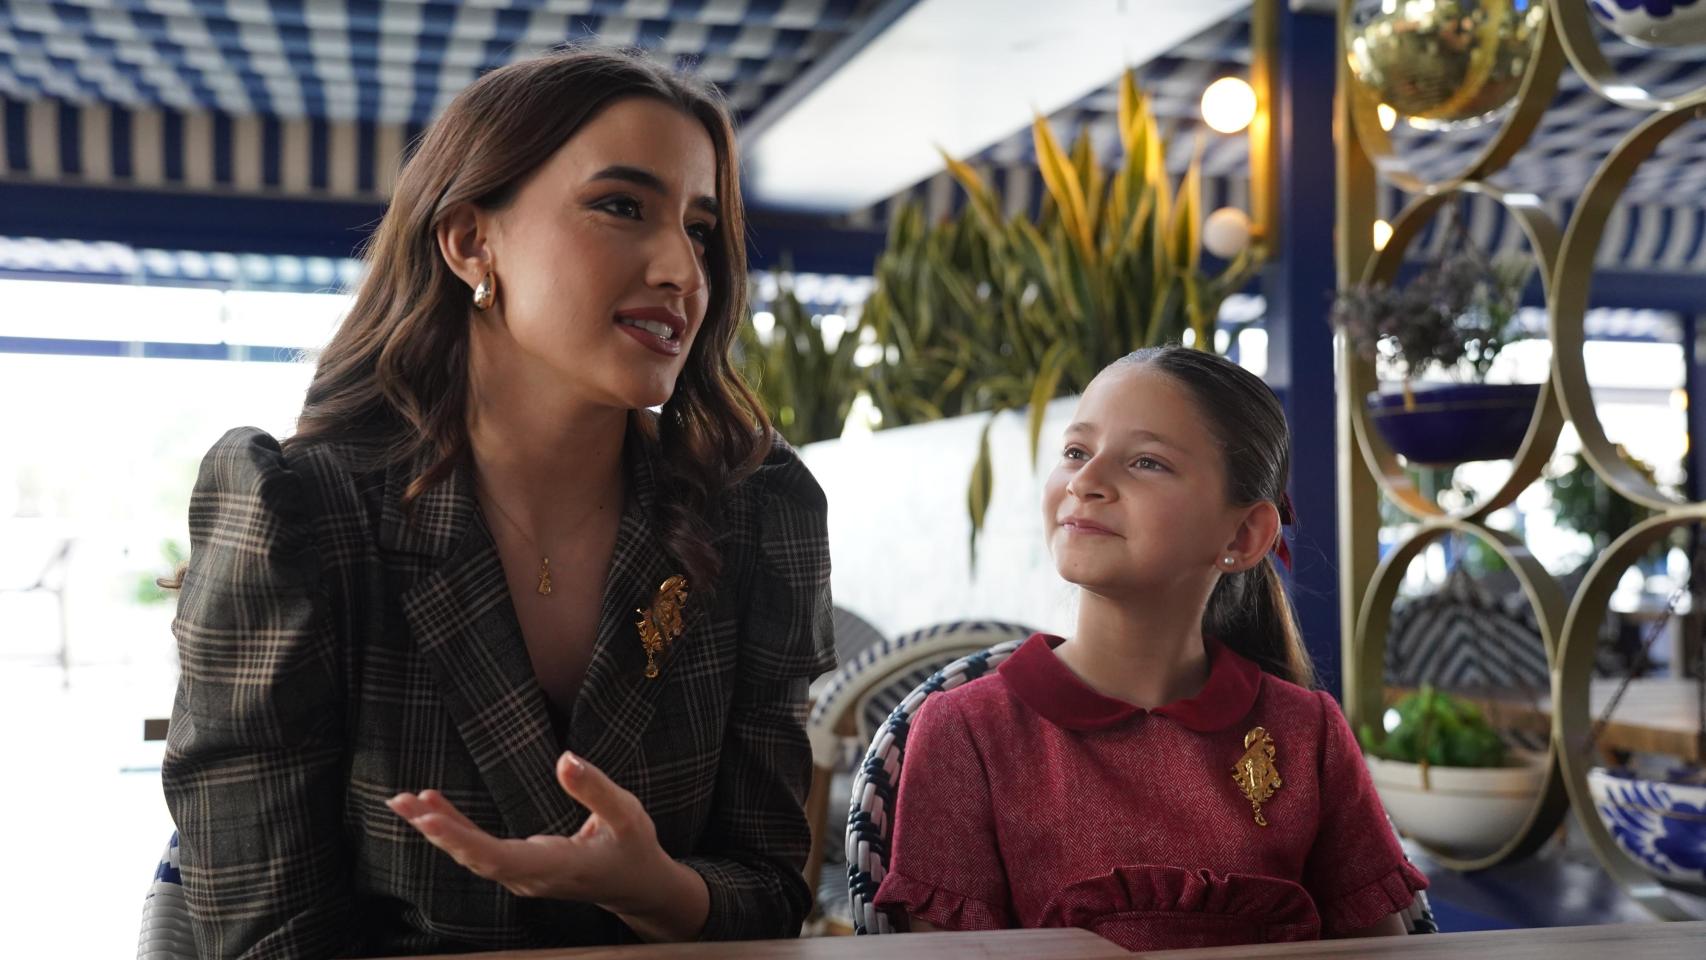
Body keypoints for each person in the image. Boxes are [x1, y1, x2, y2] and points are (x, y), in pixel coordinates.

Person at [162, 47, 834, 958]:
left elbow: (770, 892)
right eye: (622, 207)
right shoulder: (299, 518)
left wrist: (660, 890)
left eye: (702, 228)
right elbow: (265, 934)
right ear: (471, 241)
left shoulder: (756, 512)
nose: (683, 267)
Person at [872, 346, 1426, 951]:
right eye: (1076, 452)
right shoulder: (965, 732)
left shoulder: (1308, 734)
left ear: (1242, 535)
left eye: (1145, 462)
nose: (1085, 481)